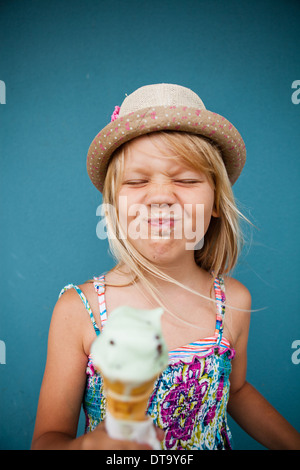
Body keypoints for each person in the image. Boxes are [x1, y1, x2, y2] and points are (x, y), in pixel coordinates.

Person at [31, 84, 300, 450]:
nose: (160, 197)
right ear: (112, 206)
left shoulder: (232, 301)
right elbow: (47, 440)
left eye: (186, 180)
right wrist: (88, 446)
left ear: (217, 202)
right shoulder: (80, 310)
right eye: (138, 181)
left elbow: (235, 390)